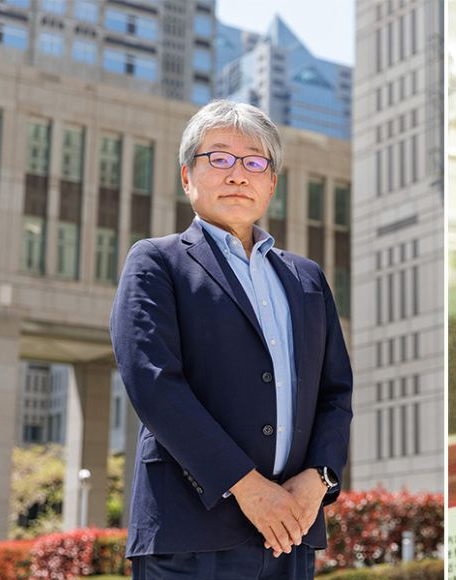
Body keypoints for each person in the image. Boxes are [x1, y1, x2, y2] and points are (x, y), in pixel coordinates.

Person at [110, 100, 353, 579]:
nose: (238, 174)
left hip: (291, 531)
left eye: (255, 161)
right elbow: (155, 387)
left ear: (272, 183)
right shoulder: (156, 262)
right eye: (219, 158)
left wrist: (318, 479)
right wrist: (247, 486)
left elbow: (335, 393)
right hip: (191, 535)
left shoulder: (306, 278)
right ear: (187, 177)